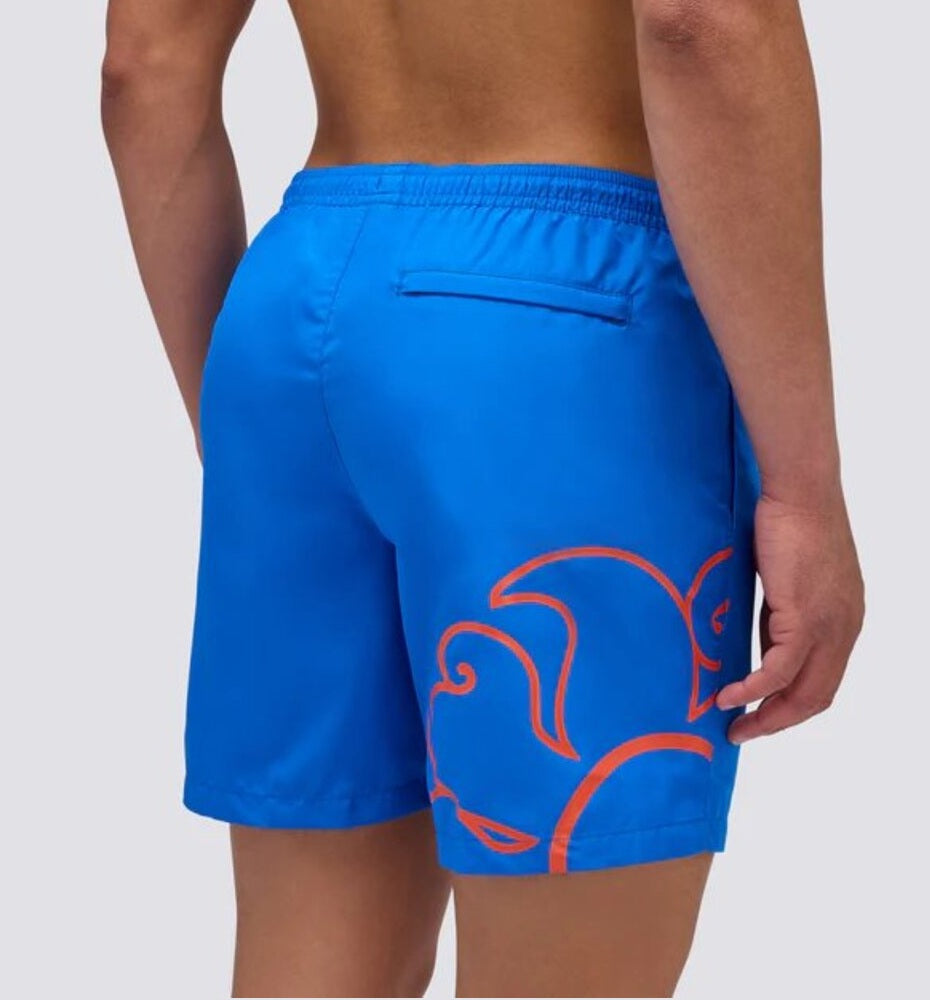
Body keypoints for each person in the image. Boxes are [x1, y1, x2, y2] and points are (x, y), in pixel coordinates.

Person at [101, 0, 864, 995]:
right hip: (561, 325)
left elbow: (143, 63)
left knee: (312, 963)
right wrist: (803, 490)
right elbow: (702, 18)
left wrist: (239, 425)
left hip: (294, 308)